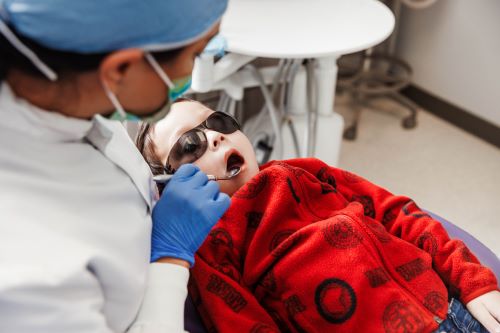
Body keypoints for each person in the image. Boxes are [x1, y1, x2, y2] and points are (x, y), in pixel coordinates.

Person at [137, 99, 500, 333]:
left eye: (218, 120)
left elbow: (399, 213)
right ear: (171, 182)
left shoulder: (303, 170)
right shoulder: (210, 247)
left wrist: (473, 283)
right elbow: (244, 325)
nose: (215, 137)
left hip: (454, 310)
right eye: (190, 144)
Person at [0, 1, 231, 332]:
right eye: (195, 54)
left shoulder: (74, 98)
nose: (217, 139)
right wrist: (169, 258)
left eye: (219, 123)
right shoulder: (27, 283)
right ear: (120, 69)